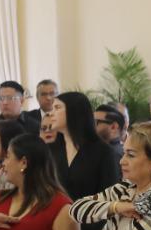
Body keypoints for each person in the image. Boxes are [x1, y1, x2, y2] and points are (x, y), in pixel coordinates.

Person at [52, 90, 122, 221]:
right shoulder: (51, 150)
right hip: (55, 225)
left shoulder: (103, 152)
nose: (51, 113)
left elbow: (108, 198)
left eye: (57, 107)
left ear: (73, 112)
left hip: (90, 226)